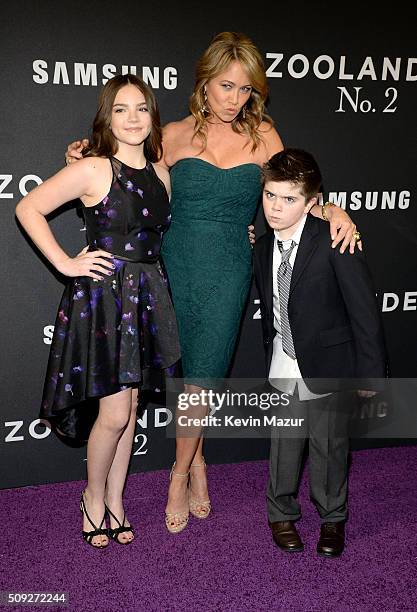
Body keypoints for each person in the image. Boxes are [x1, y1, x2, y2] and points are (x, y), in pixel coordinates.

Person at [65, 32, 360, 534]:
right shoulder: (171, 134)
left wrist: (333, 211)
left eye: (246, 91)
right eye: (227, 86)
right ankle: (198, 462)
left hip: (228, 269)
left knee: (204, 375)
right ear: (204, 83)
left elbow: (295, 188)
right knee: (184, 377)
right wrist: (83, 156)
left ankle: (178, 473)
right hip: (174, 264)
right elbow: (132, 179)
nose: (235, 99)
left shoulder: (264, 135)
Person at [15, 74, 180, 548]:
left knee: (128, 410)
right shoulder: (93, 168)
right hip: (106, 300)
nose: (132, 118)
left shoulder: (162, 173)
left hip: (147, 295)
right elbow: (29, 207)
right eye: (121, 109)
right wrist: (68, 263)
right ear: (107, 117)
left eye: (142, 108)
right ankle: (91, 498)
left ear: (153, 117)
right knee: (112, 413)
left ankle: (115, 499)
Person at [253, 148, 386, 557]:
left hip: (331, 363)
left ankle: (332, 519)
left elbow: (364, 309)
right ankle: (280, 513)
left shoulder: (335, 238)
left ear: (313, 202)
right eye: (270, 196)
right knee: (285, 444)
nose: (276, 207)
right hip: (284, 358)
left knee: (331, 446)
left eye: (289, 199)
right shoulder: (261, 244)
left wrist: (370, 377)